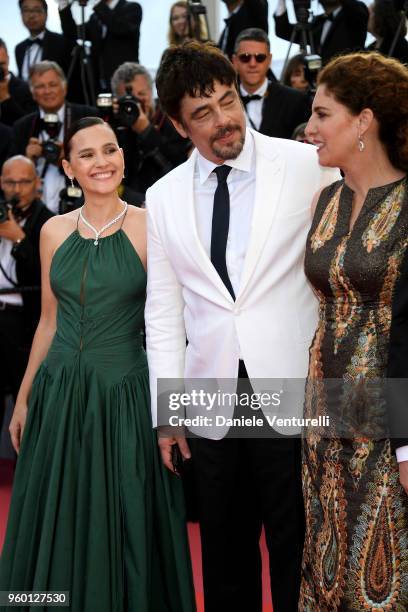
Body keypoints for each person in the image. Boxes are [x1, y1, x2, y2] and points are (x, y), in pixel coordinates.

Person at [145, 41, 339, 612]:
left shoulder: (306, 166)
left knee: (296, 544)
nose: (223, 120)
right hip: (210, 396)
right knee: (225, 553)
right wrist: (168, 414)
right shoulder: (163, 197)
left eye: (227, 100)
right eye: (202, 113)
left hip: (293, 387)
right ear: (180, 127)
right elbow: (163, 310)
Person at [0, 116, 195, 612]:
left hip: (121, 394)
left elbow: (170, 322)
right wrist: (23, 399)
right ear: (68, 168)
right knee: (56, 512)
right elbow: (48, 322)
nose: (100, 162)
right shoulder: (52, 231)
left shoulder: (151, 226)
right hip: (59, 393)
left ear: (124, 158)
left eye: (109, 150)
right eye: (86, 154)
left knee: (120, 511)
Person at [301, 51, 408, 609]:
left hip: (387, 423)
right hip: (323, 416)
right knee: (328, 556)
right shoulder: (325, 200)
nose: (310, 128)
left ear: (363, 120)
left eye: (323, 115)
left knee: (385, 570)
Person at [0, 155, 53, 439]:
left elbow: (44, 276)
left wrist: (18, 239)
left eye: (23, 182)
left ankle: (25, 477)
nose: (16, 189)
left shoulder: (48, 222)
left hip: (23, 322)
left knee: (26, 402)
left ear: (38, 184)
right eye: (10, 182)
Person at [10, 61, 96, 214]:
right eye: (40, 86)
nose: (47, 91)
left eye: (53, 84)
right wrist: (27, 162)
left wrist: (67, 160)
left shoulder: (88, 117)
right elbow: (10, 180)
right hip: (34, 215)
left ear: (65, 88)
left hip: (83, 209)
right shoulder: (22, 127)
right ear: (33, 93)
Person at [110, 62, 190, 197]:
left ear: (152, 91)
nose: (137, 103)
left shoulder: (173, 119)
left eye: (141, 94)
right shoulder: (114, 127)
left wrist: (146, 131)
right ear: (116, 100)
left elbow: (179, 166)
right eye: (127, 99)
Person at [232, 28, 310, 139]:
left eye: (260, 57)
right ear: (234, 61)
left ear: (269, 60)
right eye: (245, 57)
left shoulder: (295, 100)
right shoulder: (223, 100)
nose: (253, 63)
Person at [57, 0, 142, 93]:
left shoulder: (132, 8)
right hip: (100, 81)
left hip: (126, 78)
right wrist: (63, 5)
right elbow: (73, 32)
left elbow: (119, 28)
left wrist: (97, 3)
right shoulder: (95, 17)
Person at [274, 0, 369, 64]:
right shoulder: (318, 22)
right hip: (324, 82)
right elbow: (284, 31)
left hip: (349, 79)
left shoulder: (355, 13)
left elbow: (355, 9)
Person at [15, 0, 71, 82]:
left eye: (37, 10)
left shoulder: (60, 42)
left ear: (46, 14)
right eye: (26, 10)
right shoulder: (19, 49)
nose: (31, 15)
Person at [0, 38, 36, 127]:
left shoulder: (26, 89)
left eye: (1, 64)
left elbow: (30, 125)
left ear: (8, 59)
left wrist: (6, 99)